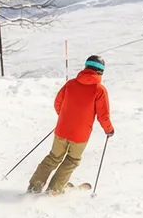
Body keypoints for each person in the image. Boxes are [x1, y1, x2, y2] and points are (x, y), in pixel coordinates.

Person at [28, 55, 115, 194]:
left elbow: (58, 103)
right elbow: (103, 116)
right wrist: (109, 130)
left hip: (62, 129)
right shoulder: (99, 90)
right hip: (80, 134)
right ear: (101, 71)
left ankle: (35, 186)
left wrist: (65, 118)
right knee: (72, 160)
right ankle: (55, 188)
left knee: (53, 157)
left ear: (86, 67)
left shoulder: (70, 84)